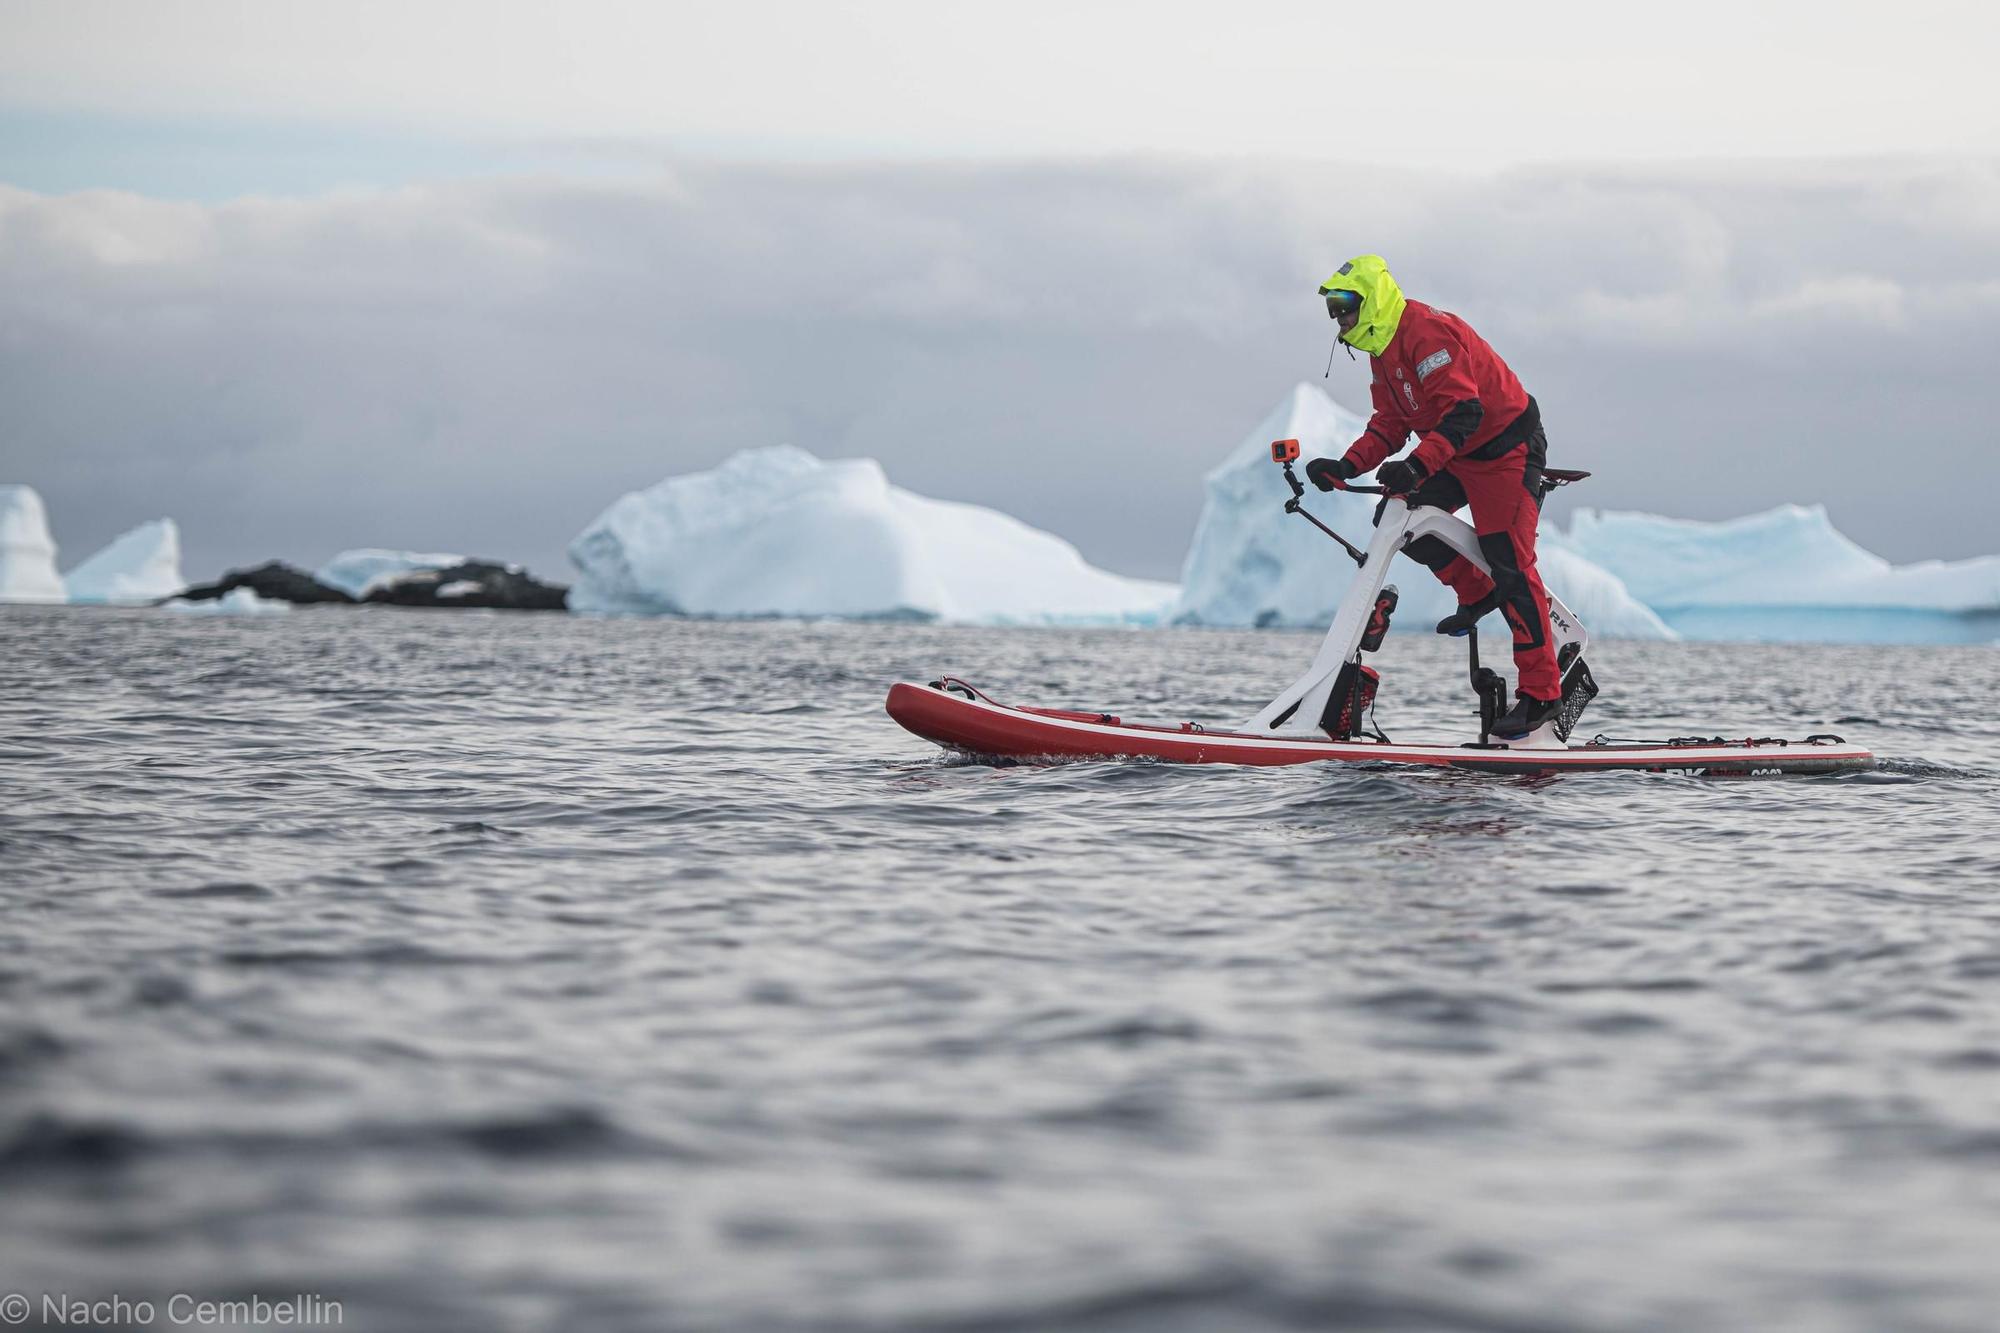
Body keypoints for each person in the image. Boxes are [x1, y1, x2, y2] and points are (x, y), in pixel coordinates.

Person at [1303, 255, 1561, 739]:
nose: (1338, 320)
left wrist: (1417, 466)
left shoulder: (1426, 334)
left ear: (1372, 302)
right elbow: (1390, 424)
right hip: (1458, 453)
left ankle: (1543, 694)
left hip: (1507, 449)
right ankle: (1478, 591)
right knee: (1400, 518)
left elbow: (1463, 414)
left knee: (1508, 557)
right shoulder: (1384, 352)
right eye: (1332, 310)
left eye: (1344, 306)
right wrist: (1346, 464)